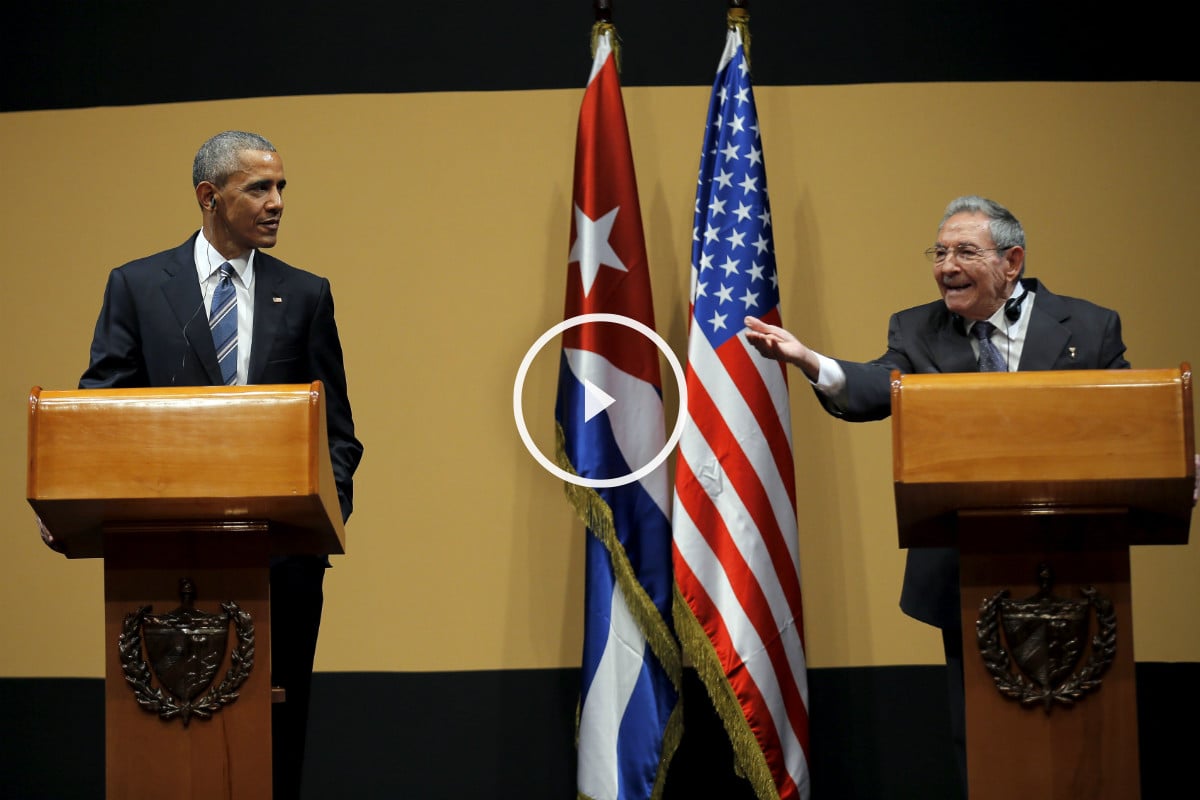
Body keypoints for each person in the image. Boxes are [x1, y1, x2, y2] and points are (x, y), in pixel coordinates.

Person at [743, 195, 1131, 797]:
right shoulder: (916, 328)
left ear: (1012, 261)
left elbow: (1129, 414)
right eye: (940, 252)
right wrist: (810, 360)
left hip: (1077, 553)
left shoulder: (1088, 325)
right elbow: (879, 386)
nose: (946, 264)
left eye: (964, 251)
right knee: (978, 731)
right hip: (966, 563)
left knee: (1084, 735)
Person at [76, 130, 364, 799]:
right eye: (259, 188)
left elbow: (337, 435)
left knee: (276, 740)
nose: (277, 203)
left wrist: (321, 519)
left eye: (282, 187)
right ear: (210, 196)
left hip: (283, 563)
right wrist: (84, 496)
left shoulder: (307, 293)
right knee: (169, 747)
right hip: (161, 556)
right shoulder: (139, 286)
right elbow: (100, 418)